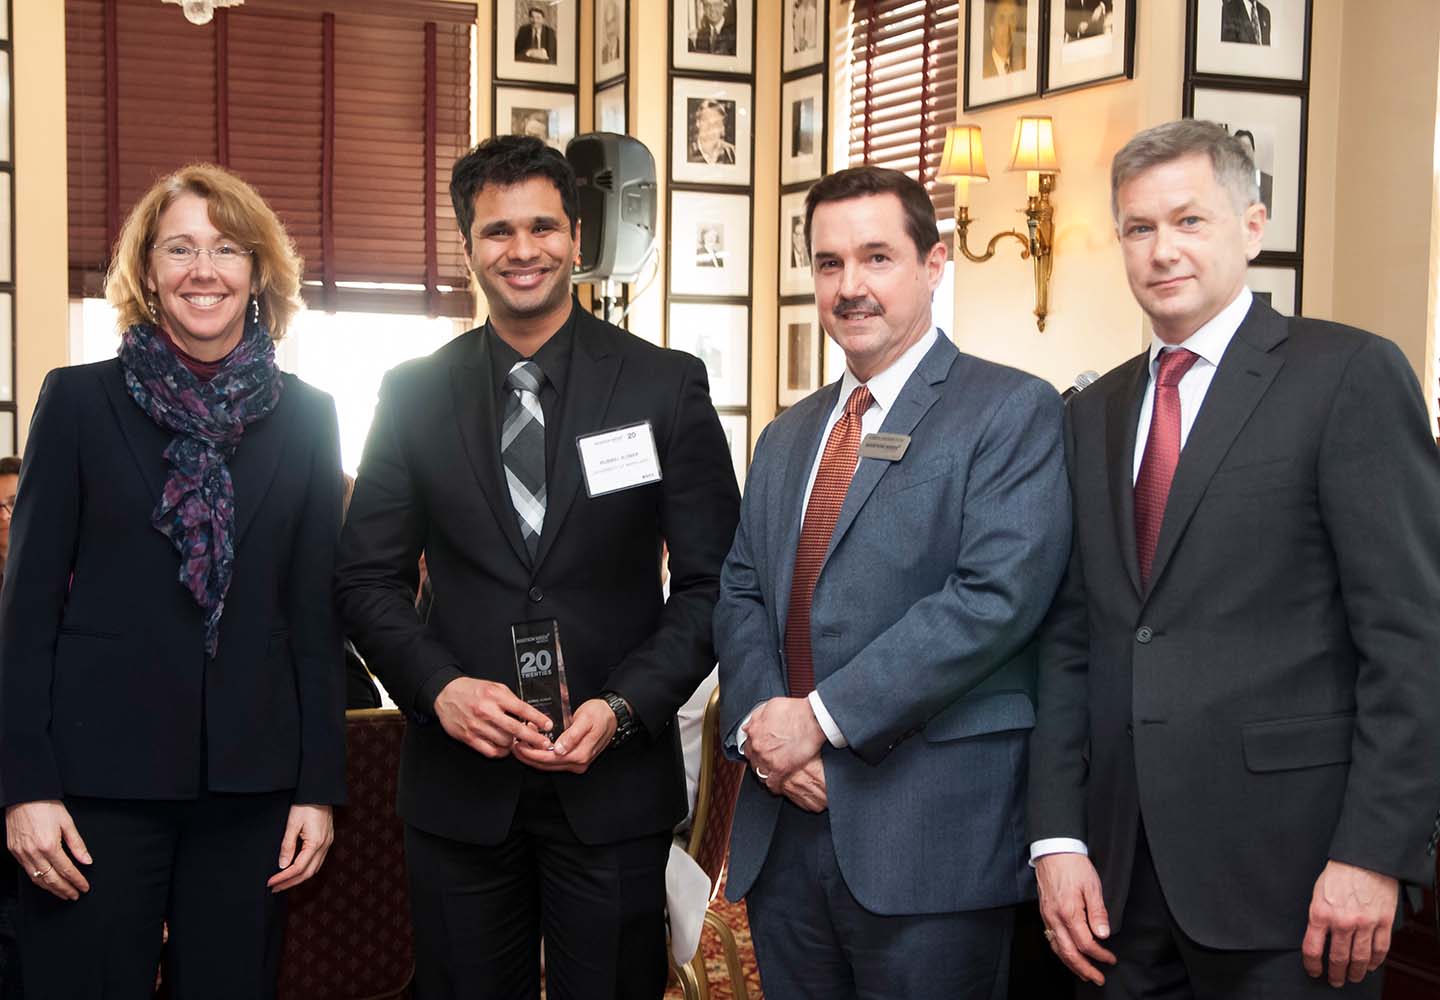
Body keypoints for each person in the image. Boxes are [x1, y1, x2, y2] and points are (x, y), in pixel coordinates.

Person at [1028, 119, 1440, 998]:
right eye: (1139, 228)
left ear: (1253, 226)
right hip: (1116, 888)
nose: (1161, 250)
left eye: (1190, 221)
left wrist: (1375, 851)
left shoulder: (1348, 375)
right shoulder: (1092, 412)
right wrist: (1057, 838)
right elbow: (1071, 641)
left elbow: (1413, 639)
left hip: (1293, 885)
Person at [334, 134, 740, 1000]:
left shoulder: (662, 386)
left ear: (578, 240)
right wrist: (440, 690)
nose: (523, 251)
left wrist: (625, 706)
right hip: (458, 791)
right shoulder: (411, 393)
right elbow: (364, 580)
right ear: (468, 246)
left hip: (614, 785)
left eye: (543, 227)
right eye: (498, 232)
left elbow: (713, 584)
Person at [714, 165, 1071, 999]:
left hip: (928, 838)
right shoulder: (788, 434)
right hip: (785, 824)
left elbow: (994, 600)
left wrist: (821, 723)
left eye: (877, 257)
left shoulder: (1010, 411)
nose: (851, 286)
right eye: (830, 263)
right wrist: (773, 737)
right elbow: (739, 592)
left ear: (935, 263)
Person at [0, 163, 346, 998]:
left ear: (258, 271)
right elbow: (28, 613)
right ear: (147, 272)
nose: (204, 270)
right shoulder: (79, 403)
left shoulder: (308, 416)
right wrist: (24, 788)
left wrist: (318, 790)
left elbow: (313, 617)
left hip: (251, 788)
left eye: (227, 249)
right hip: (94, 785)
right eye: (180, 248)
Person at [1233, 129, 1273, 218]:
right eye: (1241, 149)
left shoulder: (1269, 183)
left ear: (1254, 151)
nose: (1245, 153)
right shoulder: (1226, 184)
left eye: (1248, 148)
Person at [983, 0, 1026, 77]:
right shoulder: (981, 71)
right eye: (1002, 19)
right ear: (992, 28)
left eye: (1012, 19)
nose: (1007, 29)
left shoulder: (1023, 66)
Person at [688, 99, 736, 166]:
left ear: (722, 126)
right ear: (698, 122)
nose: (710, 127)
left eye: (716, 123)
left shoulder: (733, 153)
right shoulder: (686, 153)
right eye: (706, 121)